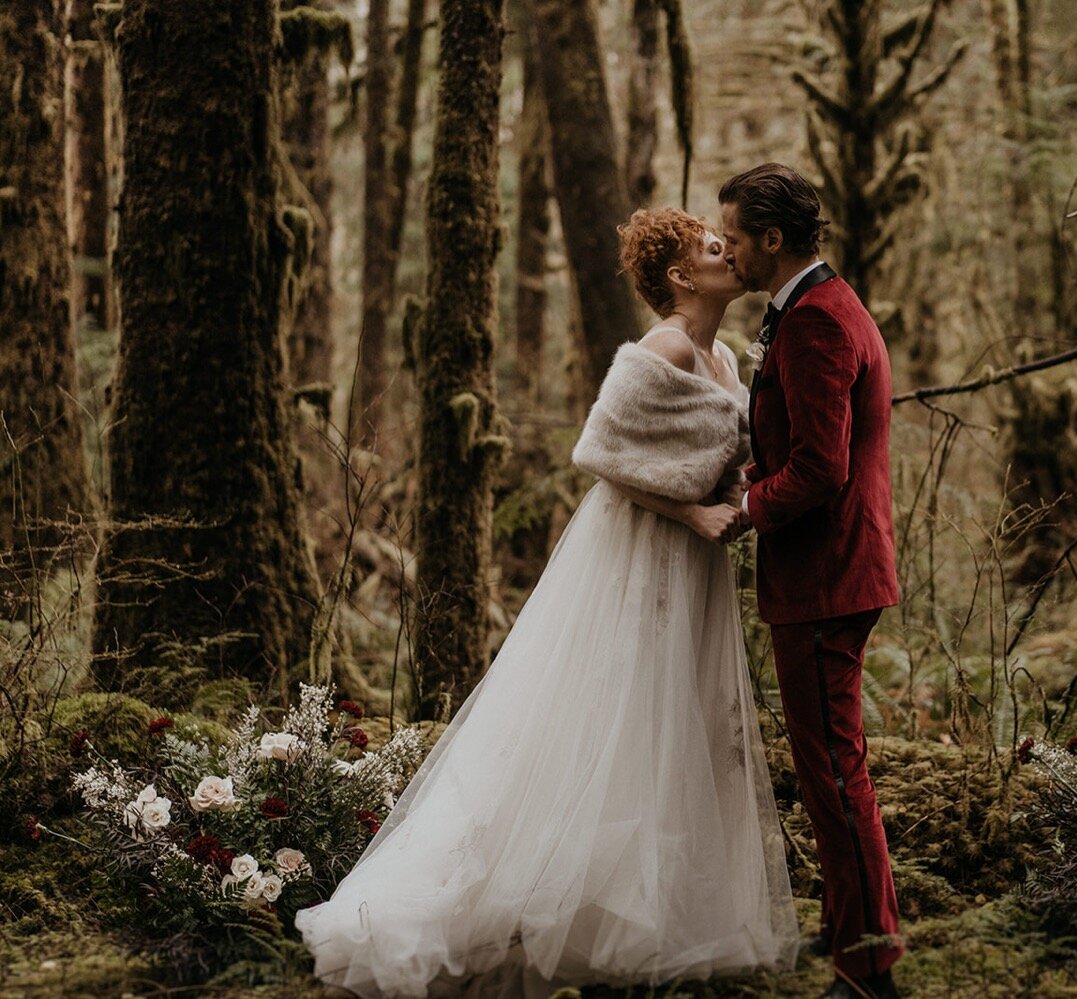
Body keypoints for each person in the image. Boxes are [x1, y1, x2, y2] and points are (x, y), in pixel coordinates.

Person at [295, 208, 799, 998]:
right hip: (637, 552)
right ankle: (525, 903)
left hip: (695, 571)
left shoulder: (728, 360)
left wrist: (737, 498)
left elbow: (712, 454)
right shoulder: (663, 344)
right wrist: (691, 511)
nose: (726, 252)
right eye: (710, 247)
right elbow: (600, 451)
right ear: (678, 277)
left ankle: (658, 917)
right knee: (620, 716)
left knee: (679, 724)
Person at [720, 163, 904, 999]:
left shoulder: (819, 321)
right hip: (828, 576)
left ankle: (867, 971)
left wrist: (746, 507)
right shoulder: (814, 307)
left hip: (827, 578)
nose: (726, 250)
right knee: (833, 768)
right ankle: (853, 932)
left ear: (771, 238)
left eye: (734, 236)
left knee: (834, 776)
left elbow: (821, 469)